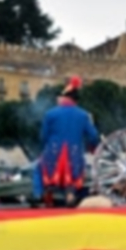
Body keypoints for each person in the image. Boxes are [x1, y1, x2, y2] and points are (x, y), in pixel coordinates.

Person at [39, 76, 100, 207]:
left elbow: (43, 136)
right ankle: (70, 195)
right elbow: (93, 135)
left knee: (48, 177)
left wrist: (43, 149)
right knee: (71, 182)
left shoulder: (50, 114)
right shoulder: (83, 115)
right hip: (74, 153)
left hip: (52, 151)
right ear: (75, 100)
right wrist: (92, 146)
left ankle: (47, 196)